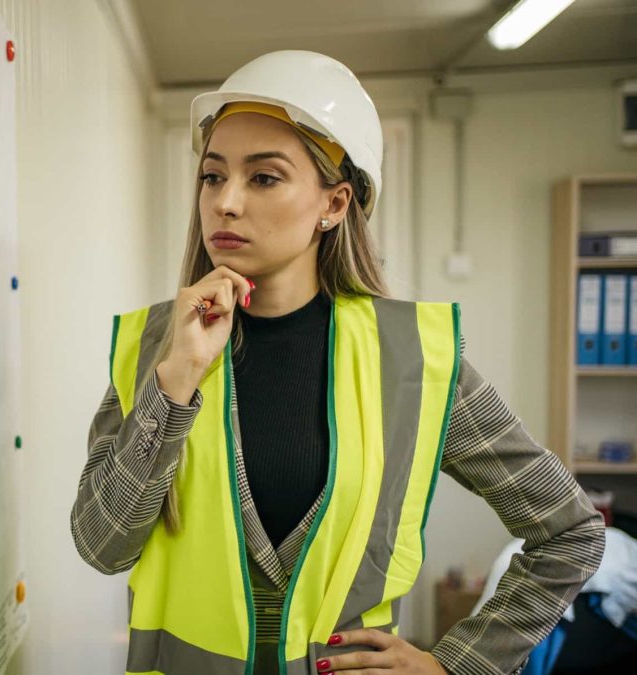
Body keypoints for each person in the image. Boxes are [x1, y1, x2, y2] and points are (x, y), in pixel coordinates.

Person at [69, 50, 605, 675]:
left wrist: (456, 664)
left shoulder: (413, 360)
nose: (225, 202)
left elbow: (569, 532)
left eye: (263, 177)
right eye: (212, 177)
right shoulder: (152, 348)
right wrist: (176, 382)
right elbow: (102, 546)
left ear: (335, 204)